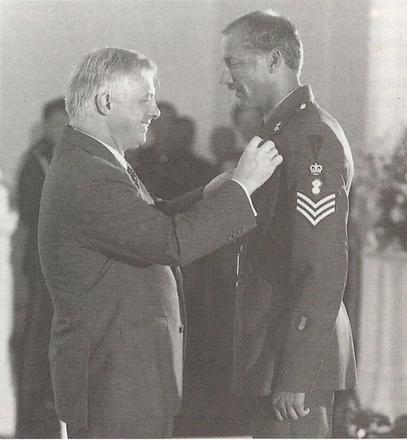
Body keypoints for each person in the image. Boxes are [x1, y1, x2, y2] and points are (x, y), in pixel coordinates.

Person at [38, 47, 282, 439]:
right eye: (145, 98)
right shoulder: (90, 173)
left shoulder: (92, 157)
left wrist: (214, 190)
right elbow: (168, 243)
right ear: (105, 102)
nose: (154, 111)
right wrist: (243, 187)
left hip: (121, 375)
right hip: (117, 381)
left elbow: (149, 220)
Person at [220, 11, 357, 438]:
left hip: (294, 352)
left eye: (235, 63)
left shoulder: (308, 137)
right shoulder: (283, 132)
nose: (228, 78)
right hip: (274, 345)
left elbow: (321, 264)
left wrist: (296, 372)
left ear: (274, 60)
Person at [11, 97, 67, 438]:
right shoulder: (34, 161)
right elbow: (35, 212)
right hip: (42, 261)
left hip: (64, 262)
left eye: (66, 123)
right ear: (46, 126)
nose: (62, 130)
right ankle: (32, 402)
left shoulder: (70, 157)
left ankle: (52, 395)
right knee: (38, 331)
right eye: (56, 124)